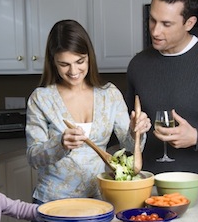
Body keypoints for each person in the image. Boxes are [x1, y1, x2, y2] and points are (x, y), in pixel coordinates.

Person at [26, 19, 151, 205]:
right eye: (64, 64)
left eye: (80, 61)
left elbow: (130, 149)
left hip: (100, 199)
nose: (73, 71)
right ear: (53, 61)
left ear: (89, 57)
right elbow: (33, 157)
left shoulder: (109, 94)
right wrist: (60, 143)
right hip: (53, 202)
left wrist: (135, 131)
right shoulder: (41, 98)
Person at [125, 0, 198, 189]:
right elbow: (126, 127)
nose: (155, 31)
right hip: (146, 186)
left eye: (166, 24)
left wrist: (197, 137)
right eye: (152, 20)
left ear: (189, 23)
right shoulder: (138, 64)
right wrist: (133, 128)